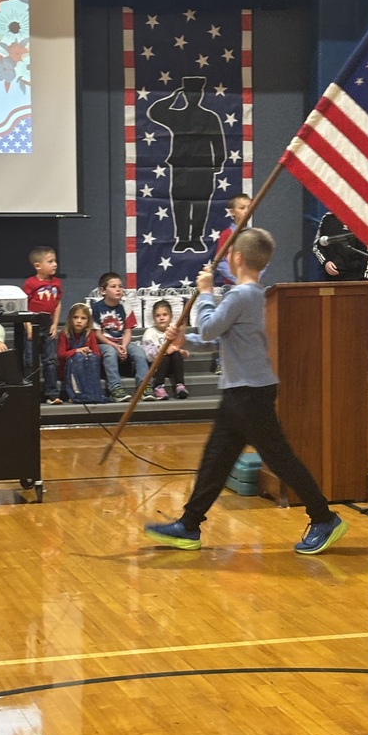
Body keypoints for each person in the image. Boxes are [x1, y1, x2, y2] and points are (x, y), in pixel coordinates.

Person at [144, 227, 348, 554]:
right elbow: (222, 339)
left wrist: (207, 292)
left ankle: (323, 518)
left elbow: (210, 327)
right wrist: (184, 342)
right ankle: (189, 525)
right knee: (216, 461)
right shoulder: (247, 296)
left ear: (236, 258)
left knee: (280, 460)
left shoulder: (242, 295)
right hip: (240, 392)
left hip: (249, 394)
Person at [147, 76, 227, 254]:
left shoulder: (209, 117)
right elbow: (154, 112)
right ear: (185, 95)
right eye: (189, 94)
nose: (193, 97)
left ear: (201, 95)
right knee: (181, 204)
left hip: (203, 168)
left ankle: (197, 238)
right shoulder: (177, 115)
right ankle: (182, 239)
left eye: (196, 93)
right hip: (181, 168)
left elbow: (219, 142)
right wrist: (174, 96)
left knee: (201, 205)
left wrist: (218, 162)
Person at [91, 272, 154, 402]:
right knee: (109, 353)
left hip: (122, 341)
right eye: (113, 286)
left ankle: (145, 385)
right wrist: (115, 346)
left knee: (139, 352)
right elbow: (97, 334)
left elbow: (127, 331)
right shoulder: (95, 308)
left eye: (120, 286)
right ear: (103, 291)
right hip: (105, 342)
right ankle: (115, 388)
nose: (118, 289)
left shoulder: (126, 306)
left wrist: (124, 346)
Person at [22, 246, 63, 403]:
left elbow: (57, 304)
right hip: (32, 324)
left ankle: (52, 393)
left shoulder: (57, 283)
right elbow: (23, 305)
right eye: (50, 261)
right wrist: (27, 326)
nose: (55, 264)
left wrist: (55, 324)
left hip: (48, 325)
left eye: (55, 261)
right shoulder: (30, 283)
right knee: (30, 360)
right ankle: (29, 393)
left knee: (50, 360)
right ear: (38, 265)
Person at [57, 302, 106, 403]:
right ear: (70, 319)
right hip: (68, 368)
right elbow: (61, 355)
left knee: (93, 357)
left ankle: (93, 394)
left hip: (86, 367)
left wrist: (89, 351)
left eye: (83, 318)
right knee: (78, 356)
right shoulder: (64, 333)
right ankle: (77, 395)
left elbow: (98, 354)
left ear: (88, 321)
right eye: (76, 317)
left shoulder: (90, 334)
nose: (79, 321)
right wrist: (76, 351)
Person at [142, 299, 189, 400]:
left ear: (171, 316)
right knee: (165, 356)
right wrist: (163, 350)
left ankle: (180, 385)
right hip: (157, 367)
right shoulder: (150, 332)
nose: (161, 318)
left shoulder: (173, 331)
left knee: (176, 355)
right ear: (153, 318)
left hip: (173, 366)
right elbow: (149, 355)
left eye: (165, 314)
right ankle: (158, 386)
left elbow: (182, 350)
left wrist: (180, 352)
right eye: (158, 316)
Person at [312, 210, 368, 281]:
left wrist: (365, 277)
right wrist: (326, 262)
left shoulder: (357, 219)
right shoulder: (327, 218)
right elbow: (317, 246)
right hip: (333, 276)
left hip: (356, 277)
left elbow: (367, 251)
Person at [215, 194, 251, 286]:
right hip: (232, 285)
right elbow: (221, 261)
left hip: (252, 283)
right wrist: (237, 280)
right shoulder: (227, 234)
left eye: (250, 207)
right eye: (242, 208)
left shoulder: (255, 235)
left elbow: (262, 260)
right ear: (232, 211)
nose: (247, 211)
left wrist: (254, 278)